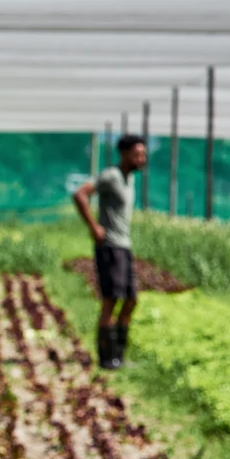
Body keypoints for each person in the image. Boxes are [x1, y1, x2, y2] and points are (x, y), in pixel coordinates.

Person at [72, 134, 148, 370]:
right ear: (124, 154)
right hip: (110, 246)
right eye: (137, 154)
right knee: (110, 300)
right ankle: (107, 358)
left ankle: (119, 354)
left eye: (143, 154)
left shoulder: (129, 178)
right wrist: (94, 227)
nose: (141, 159)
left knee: (131, 300)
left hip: (123, 245)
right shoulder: (112, 176)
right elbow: (80, 194)